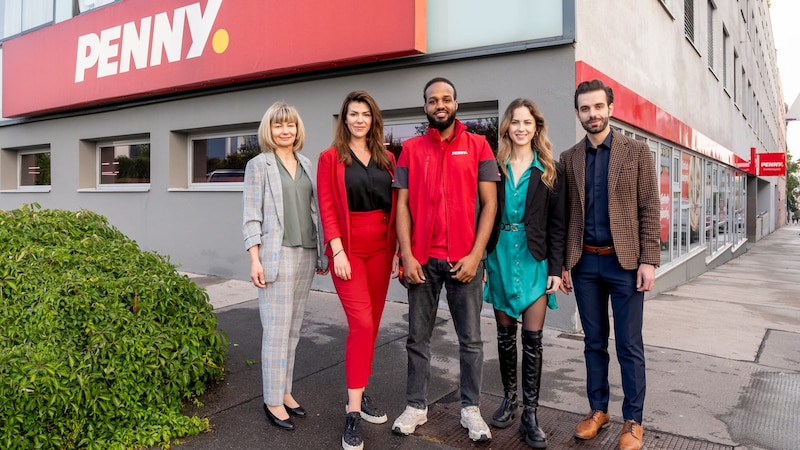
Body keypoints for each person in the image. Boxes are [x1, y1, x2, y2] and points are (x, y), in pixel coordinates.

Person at [391, 77, 499, 442]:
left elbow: (490, 205)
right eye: (433, 100)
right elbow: (402, 206)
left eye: (446, 99)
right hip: (422, 261)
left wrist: (476, 255)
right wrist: (407, 254)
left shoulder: (479, 146)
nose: (440, 104)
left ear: (456, 103)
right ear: (425, 107)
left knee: (470, 341)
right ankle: (416, 406)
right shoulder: (409, 149)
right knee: (417, 339)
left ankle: (471, 409)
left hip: (464, 263)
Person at [559, 80, 660, 450]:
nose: (593, 114)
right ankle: (597, 410)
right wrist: (565, 264)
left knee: (629, 345)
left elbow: (650, 208)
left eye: (598, 106)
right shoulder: (569, 158)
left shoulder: (636, 152)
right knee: (594, 343)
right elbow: (567, 215)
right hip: (585, 264)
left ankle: (633, 420)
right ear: (578, 113)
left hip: (625, 265)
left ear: (611, 108)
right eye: (585, 108)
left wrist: (648, 260)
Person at [317, 91, 398, 450]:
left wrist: (399, 253)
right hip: (348, 249)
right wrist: (338, 252)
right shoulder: (330, 158)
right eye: (353, 113)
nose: (360, 119)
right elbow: (327, 206)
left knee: (372, 325)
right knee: (361, 324)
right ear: (344, 119)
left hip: (383, 248)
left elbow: (397, 208)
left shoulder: (388, 158)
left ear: (373, 119)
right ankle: (352, 412)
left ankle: (360, 391)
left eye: (366, 113)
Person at [484, 98, 566, 449]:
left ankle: (530, 414)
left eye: (527, 123)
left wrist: (556, 270)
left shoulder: (549, 169)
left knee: (532, 341)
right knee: (505, 337)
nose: (520, 128)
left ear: (536, 128)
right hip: (499, 254)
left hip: (535, 260)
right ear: (507, 127)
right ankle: (510, 399)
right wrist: (482, 262)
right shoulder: (493, 166)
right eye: (515, 122)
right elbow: (481, 213)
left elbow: (558, 225)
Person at [242, 101, 328, 431]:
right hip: (276, 255)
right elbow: (251, 215)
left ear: (297, 129)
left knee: (292, 331)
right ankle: (272, 399)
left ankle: (286, 391)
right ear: (269, 130)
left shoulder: (306, 163)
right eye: (278, 125)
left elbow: (313, 211)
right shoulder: (258, 165)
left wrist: (320, 254)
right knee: (276, 332)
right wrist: (254, 259)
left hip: (305, 253)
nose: (285, 131)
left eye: (290, 125)